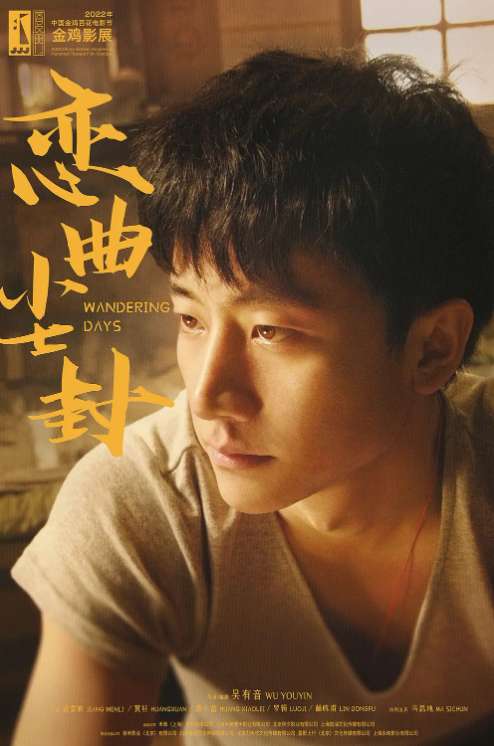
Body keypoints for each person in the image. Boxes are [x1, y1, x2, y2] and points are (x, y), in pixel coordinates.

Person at [11, 50, 494, 745]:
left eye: (272, 331)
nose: (206, 395)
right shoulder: (145, 502)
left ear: (432, 350)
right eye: (190, 319)